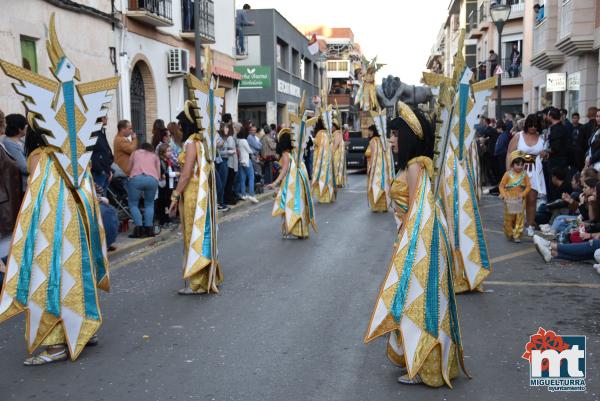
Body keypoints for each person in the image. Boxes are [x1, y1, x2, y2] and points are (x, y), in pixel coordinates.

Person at [364, 109, 466, 387]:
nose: (392, 140)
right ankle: (425, 363)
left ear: (408, 137)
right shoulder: (417, 165)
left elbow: (416, 213)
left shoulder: (413, 167)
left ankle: (424, 366)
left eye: (396, 134)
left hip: (420, 246)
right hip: (424, 241)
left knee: (418, 304)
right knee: (422, 302)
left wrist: (405, 249)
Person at [169, 106, 222, 295]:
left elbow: (186, 173)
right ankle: (205, 277)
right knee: (202, 232)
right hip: (201, 194)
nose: (180, 130)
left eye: (181, 126)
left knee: (194, 234)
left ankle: (197, 282)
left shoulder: (192, 143)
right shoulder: (201, 142)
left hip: (192, 195)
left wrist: (175, 195)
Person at [266, 127, 316, 239]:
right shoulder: (295, 153)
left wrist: (275, 183)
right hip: (299, 183)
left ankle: (290, 230)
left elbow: (284, 170)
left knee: (289, 205)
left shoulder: (285, 154)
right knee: (300, 205)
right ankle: (300, 230)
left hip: (291, 184)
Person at [507, 114, 546, 236]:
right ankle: (514, 225)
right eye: (530, 125)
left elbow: (544, 154)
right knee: (516, 199)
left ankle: (530, 225)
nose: (533, 128)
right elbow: (509, 153)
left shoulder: (542, 139)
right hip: (518, 171)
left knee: (532, 200)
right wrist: (508, 171)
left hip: (534, 172)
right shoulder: (518, 136)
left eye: (535, 125)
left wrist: (545, 155)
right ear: (526, 125)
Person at [128, 142, 160, 238]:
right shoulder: (155, 156)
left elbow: (129, 168)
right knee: (149, 204)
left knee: (133, 204)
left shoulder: (135, 153)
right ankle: (149, 230)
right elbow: (158, 173)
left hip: (136, 178)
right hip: (152, 179)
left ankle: (139, 230)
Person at [499, 151, 531, 242]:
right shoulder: (507, 174)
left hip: (520, 198)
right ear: (512, 164)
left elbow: (528, 186)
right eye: (517, 164)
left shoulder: (524, 174)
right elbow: (501, 186)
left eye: (522, 165)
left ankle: (517, 235)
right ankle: (510, 233)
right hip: (510, 198)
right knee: (509, 218)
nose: (520, 167)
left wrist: (523, 194)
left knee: (519, 218)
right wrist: (505, 196)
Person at [544, 108, 571, 201]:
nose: (546, 117)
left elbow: (556, 147)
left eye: (547, 115)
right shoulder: (562, 127)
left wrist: (545, 152)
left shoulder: (557, 129)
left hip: (557, 162)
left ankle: (554, 204)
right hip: (561, 160)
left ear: (551, 116)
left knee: (554, 185)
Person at [365, 124, 392, 211]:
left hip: (375, 168)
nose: (369, 133)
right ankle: (384, 207)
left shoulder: (373, 141)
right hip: (384, 168)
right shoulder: (385, 141)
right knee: (384, 186)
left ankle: (376, 207)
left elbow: (373, 155)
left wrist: (370, 169)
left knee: (375, 185)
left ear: (374, 131)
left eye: (370, 131)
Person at [312, 117, 336, 203]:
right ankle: (328, 196)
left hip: (320, 159)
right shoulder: (326, 133)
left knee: (320, 176)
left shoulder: (319, 134)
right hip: (327, 160)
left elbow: (318, 145)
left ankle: (322, 197)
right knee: (327, 176)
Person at [157, 143, 180, 227]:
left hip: (170, 185)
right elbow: (166, 174)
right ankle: (163, 221)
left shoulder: (168, 161)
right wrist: (176, 173)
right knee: (164, 203)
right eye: (168, 151)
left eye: (170, 151)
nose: (170, 153)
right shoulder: (162, 162)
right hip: (164, 186)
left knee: (169, 202)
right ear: (163, 153)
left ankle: (168, 219)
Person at [3, 113, 28, 191]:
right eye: (26, 126)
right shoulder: (9, 143)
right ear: (20, 128)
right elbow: (24, 167)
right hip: (21, 187)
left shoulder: (19, 141)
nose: (27, 129)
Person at [91, 116, 113, 193]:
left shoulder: (101, 133)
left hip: (104, 172)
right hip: (99, 173)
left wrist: (109, 170)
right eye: (104, 117)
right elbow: (94, 154)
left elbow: (105, 152)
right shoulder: (94, 133)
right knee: (100, 199)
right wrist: (101, 170)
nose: (107, 118)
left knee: (104, 198)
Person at [237, 128, 259, 203]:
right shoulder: (244, 141)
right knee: (251, 177)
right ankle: (251, 195)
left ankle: (243, 194)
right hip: (247, 160)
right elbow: (249, 150)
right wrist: (253, 152)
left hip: (241, 161)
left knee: (242, 178)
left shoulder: (239, 141)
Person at [224, 122, 239, 205]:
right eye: (233, 128)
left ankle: (230, 197)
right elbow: (230, 147)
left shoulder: (232, 137)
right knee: (229, 182)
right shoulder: (230, 138)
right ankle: (228, 198)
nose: (234, 129)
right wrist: (232, 151)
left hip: (233, 162)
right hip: (231, 163)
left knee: (230, 181)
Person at [332, 121, 347, 188]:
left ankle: (338, 182)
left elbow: (336, 144)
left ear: (335, 127)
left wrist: (332, 152)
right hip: (338, 153)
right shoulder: (337, 133)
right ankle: (338, 181)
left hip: (337, 153)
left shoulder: (337, 133)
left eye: (332, 126)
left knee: (336, 167)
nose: (331, 128)